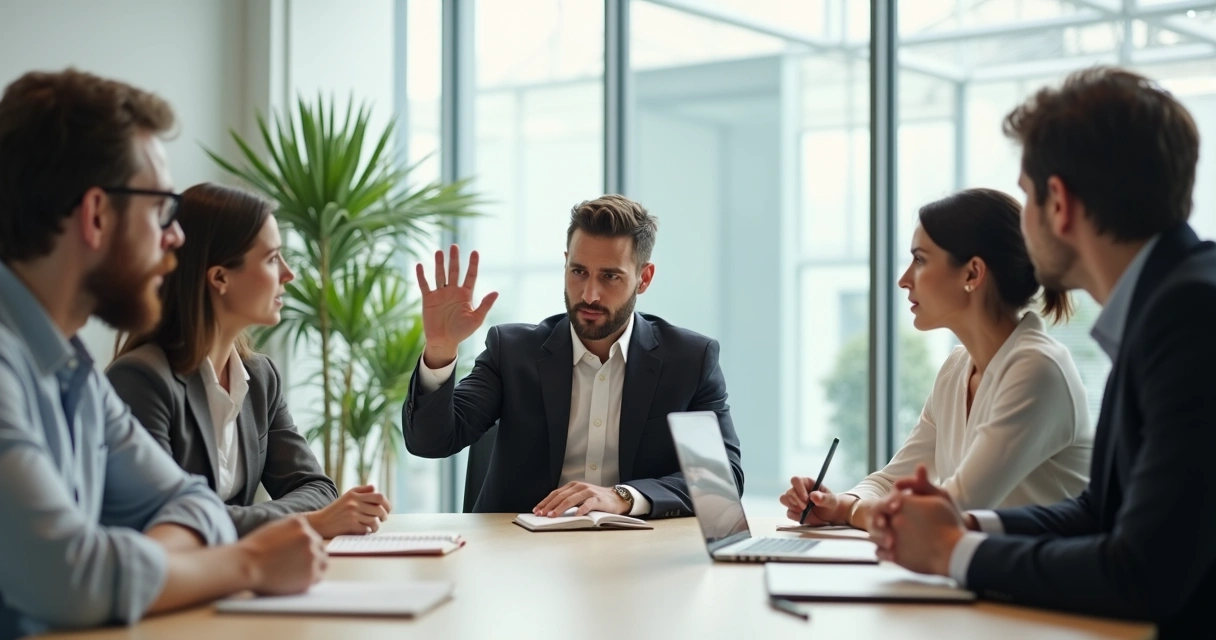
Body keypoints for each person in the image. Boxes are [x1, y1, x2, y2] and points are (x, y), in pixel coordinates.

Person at [869, 67, 1215, 638]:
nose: (1021, 222)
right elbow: (1099, 513)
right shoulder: (1166, 302)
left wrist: (953, 552)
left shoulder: (1189, 315)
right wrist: (963, 521)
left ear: (1059, 203)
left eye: (1026, 196)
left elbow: (1142, 573)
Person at [0, 69, 324, 638]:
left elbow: (191, 500)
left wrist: (150, 565)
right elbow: (72, 578)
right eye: (160, 210)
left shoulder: (72, 368)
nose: (175, 238)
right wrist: (246, 565)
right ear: (96, 215)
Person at [402, 195, 742, 518]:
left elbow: (720, 481)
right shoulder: (513, 351)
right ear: (565, 263)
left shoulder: (690, 361)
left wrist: (623, 496)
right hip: (518, 553)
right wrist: (441, 348)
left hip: (637, 553)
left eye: (610, 276)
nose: (589, 294)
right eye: (579, 272)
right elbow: (431, 443)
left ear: (644, 278)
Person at [780, 189, 1092, 529]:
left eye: (920, 260)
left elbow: (950, 510)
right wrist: (840, 502)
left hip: (1033, 580)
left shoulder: (1037, 370)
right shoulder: (958, 367)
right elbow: (890, 481)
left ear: (972, 274)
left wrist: (850, 512)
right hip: (976, 575)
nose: (904, 280)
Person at [107, 183, 392, 538]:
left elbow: (317, 490)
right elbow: (166, 521)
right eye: (273, 259)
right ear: (220, 278)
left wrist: (250, 519)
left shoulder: (259, 377)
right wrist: (306, 522)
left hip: (238, 580)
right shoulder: (142, 380)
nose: (288, 274)